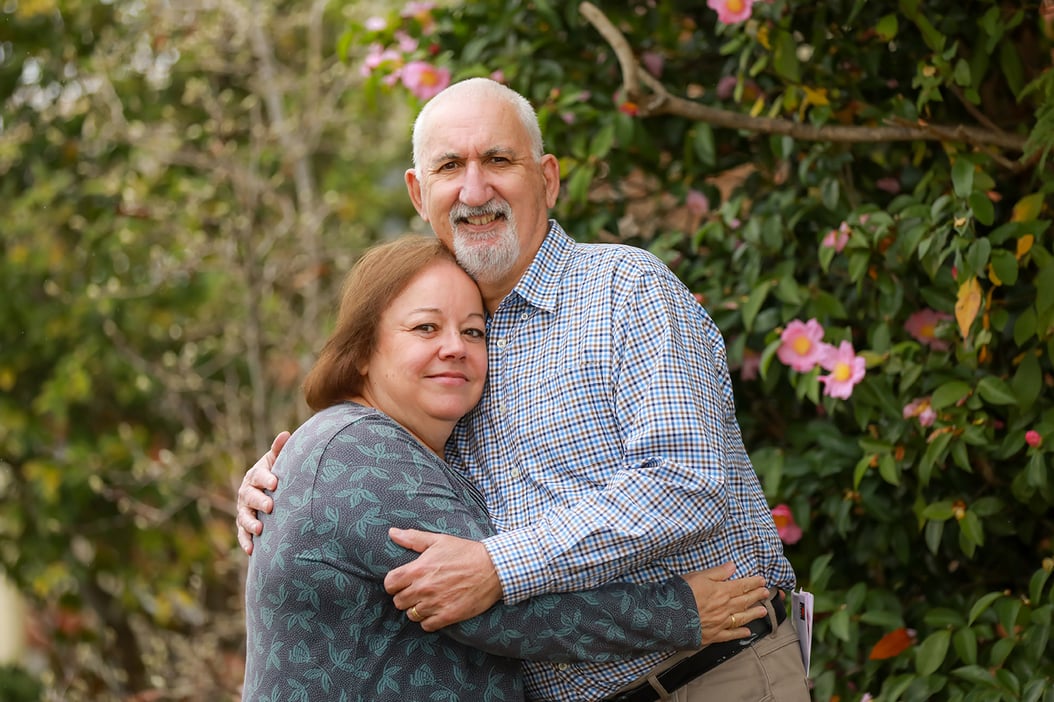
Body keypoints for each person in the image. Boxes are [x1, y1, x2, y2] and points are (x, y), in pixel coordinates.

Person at [239, 78, 811, 701]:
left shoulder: (626, 292)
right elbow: (375, 496)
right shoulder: (440, 364)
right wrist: (288, 485)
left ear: (547, 178)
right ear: (418, 192)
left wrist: (498, 566)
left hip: (706, 674)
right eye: (451, 165)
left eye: (499, 160)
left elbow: (685, 484)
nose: (475, 189)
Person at [241, 235, 772, 702]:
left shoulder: (395, 444)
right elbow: (491, 611)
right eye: (426, 328)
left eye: (474, 332)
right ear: (362, 351)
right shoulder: (362, 453)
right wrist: (679, 613)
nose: (454, 348)